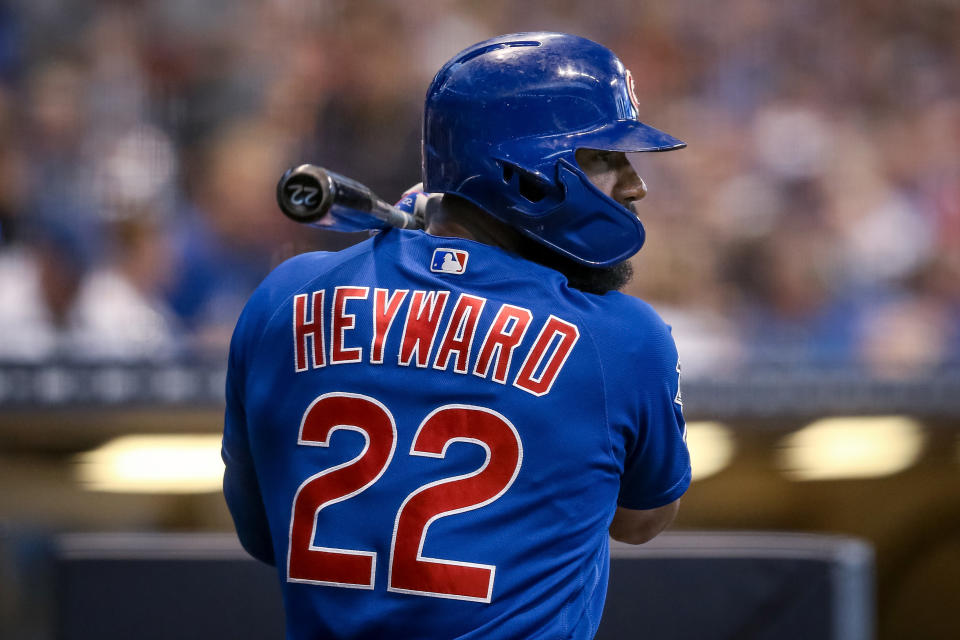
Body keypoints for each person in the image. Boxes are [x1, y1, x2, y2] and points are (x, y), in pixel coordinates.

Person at [222, 32, 690, 640]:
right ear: (524, 175)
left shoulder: (284, 298)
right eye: (604, 157)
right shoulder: (620, 340)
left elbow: (263, 533)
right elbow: (642, 520)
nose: (634, 185)